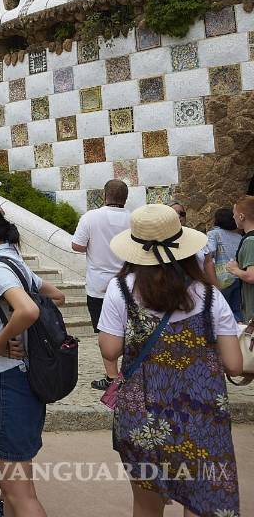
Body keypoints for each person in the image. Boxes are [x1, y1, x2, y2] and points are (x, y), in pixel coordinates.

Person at [99, 204, 244, 517]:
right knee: (202, 502)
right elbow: (233, 364)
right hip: (202, 416)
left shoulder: (119, 289)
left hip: (143, 415)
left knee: (146, 507)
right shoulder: (210, 295)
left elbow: (110, 351)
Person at [0, 196, 65, 517]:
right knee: (13, 488)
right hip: (16, 381)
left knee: (19, 494)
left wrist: (0, 342)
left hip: (4, 383)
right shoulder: (12, 259)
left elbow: (28, 309)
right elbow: (54, 295)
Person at [69, 179, 131, 391]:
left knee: (105, 330)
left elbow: (77, 245)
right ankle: (130, 371)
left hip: (99, 285)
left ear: (105, 195)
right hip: (128, 283)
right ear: (125, 197)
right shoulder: (133, 218)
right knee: (130, 328)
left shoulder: (91, 217)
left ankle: (112, 375)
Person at [205, 207, 244, 320]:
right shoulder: (239, 237)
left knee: (223, 311)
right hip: (238, 277)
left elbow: (209, 251)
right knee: (237, 309)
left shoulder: (213, 234)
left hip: (222, 279)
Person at [225, 195, 254, 322]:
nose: (233, 217)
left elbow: (251, 276)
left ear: (241, 216)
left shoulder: (250, 241)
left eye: (234, 214)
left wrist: (234, 269)